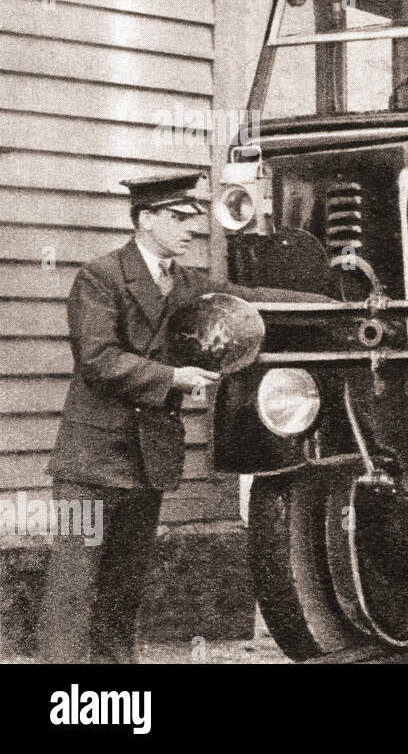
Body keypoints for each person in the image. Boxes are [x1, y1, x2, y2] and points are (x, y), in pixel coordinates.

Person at [36, 171, 325, 663]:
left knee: (124, 585)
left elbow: (247, 297)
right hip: (91, 462)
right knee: (73, 585)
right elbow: (98, 360)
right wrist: (174, 377)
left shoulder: (186, 283)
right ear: (145, 220)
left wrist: (334, 304)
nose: (191, 228)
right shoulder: (100, 277)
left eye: (193, 217)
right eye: (178, 217)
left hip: (147, 458)